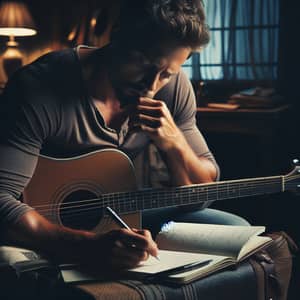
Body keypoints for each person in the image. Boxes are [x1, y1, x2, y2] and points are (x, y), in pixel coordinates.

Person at [0, 0, 248, 271]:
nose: (152, 86)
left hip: (116, 212)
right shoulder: (38, 86)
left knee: (233, 229)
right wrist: (85, 246)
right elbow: (2, 199)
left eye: (166, 74)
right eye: (143, 64)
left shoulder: (174, 88)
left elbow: (201, 197)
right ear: (117, 38)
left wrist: (174, 143)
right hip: (40, 221)